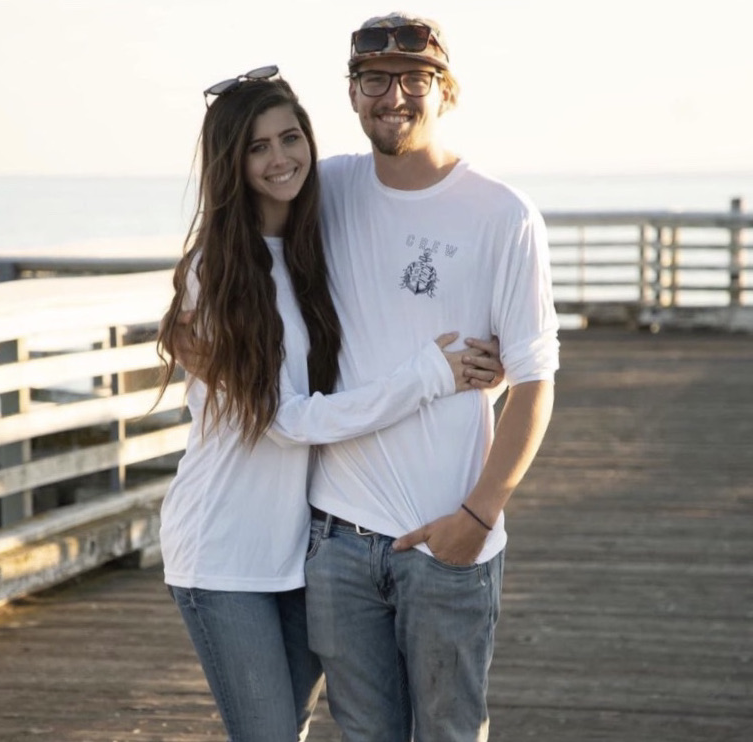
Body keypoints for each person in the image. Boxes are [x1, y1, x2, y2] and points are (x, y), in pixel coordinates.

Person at [154, 70, 505, 742]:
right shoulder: (219, 269)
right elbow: (288, 419)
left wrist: (487, 369)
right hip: (222, 551)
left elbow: (363, 345)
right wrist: (428, 377)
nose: (279, 157)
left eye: (291, 138)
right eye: (257, 148)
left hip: (299, 551)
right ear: (232, 162)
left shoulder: (309, 246)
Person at [303, 12, 561, 742]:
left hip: (450, 538)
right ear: (351, 94)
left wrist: (476, 519)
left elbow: (536, 382)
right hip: (339, 540)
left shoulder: (503, 214)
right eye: (374, 80)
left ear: (447, 91)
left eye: (415, 78)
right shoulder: (324, 193)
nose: (393, 97)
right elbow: (234, 246)